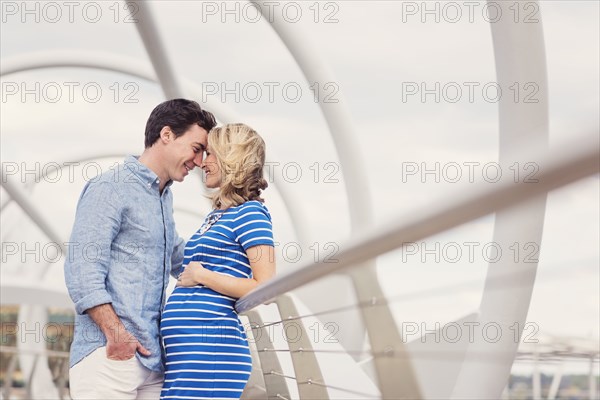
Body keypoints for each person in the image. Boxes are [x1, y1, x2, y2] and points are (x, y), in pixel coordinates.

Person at [64, 99, 216, 399]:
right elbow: (82, 271)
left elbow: (180, 259)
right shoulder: (111, 187)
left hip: (152, 359)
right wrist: (117, 334)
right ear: (167, 134)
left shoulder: (163, 197)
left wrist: (241, 276)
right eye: (196, 148)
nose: (199, 162)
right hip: (108, 356)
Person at [160, 123, 276, 399]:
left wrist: (203, 276)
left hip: (211, 353)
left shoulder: (252, 215)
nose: (202, 162)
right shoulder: (219, 216)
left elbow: (268, 286)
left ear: (232, 158)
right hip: (189, 354)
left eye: (210, 154)